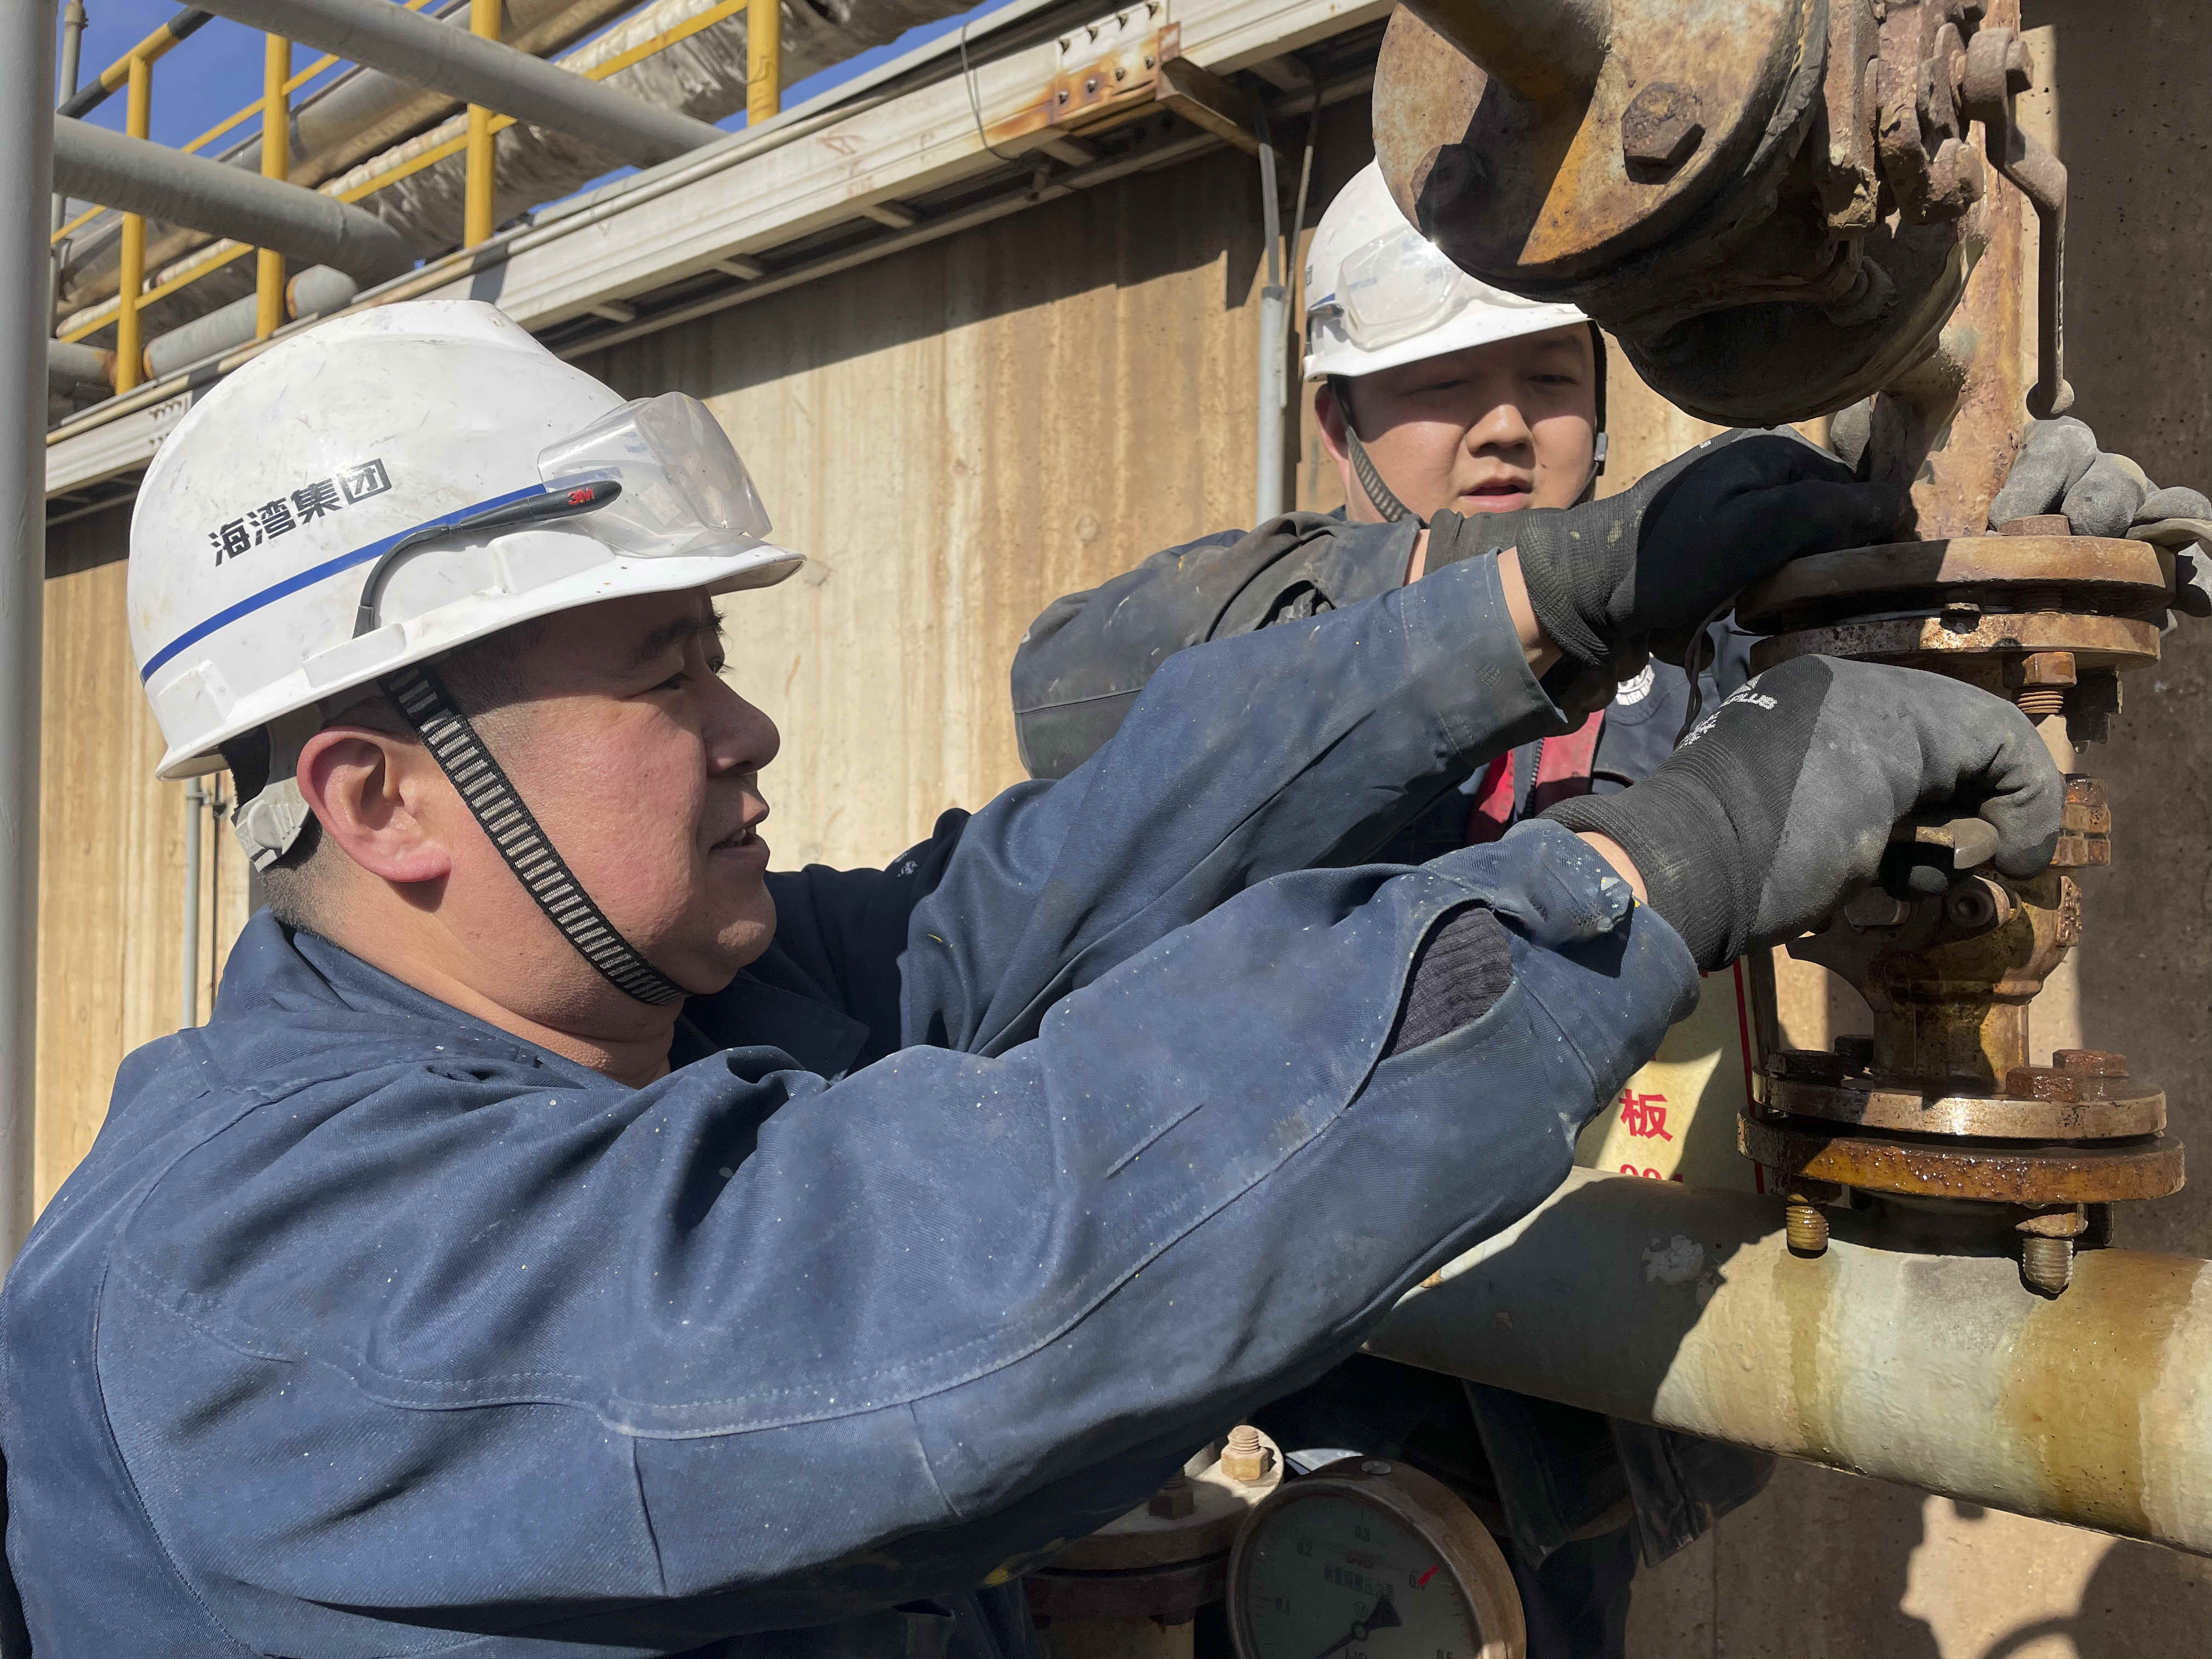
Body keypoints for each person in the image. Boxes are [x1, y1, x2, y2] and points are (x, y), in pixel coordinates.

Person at [0, 300, 2062, 1657]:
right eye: (667, 674)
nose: (749, 731)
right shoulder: (274, 1270)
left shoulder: (661, 1011)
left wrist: (1551, 602)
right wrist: (1653, 866)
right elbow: (987, 1252)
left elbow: (1043, 886)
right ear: (384, 800)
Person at [1009, 160, 2212, 1653]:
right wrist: (1536, 583)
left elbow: (1850, 709)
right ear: (1337, 425)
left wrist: (1929, 552)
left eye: (1547, 376)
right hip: (1304, 1398)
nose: (1507, 424)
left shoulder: (1704, 644)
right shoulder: (1272, 650)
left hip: (1574, 1426)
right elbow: (1066, 686)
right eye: (1441, 383)